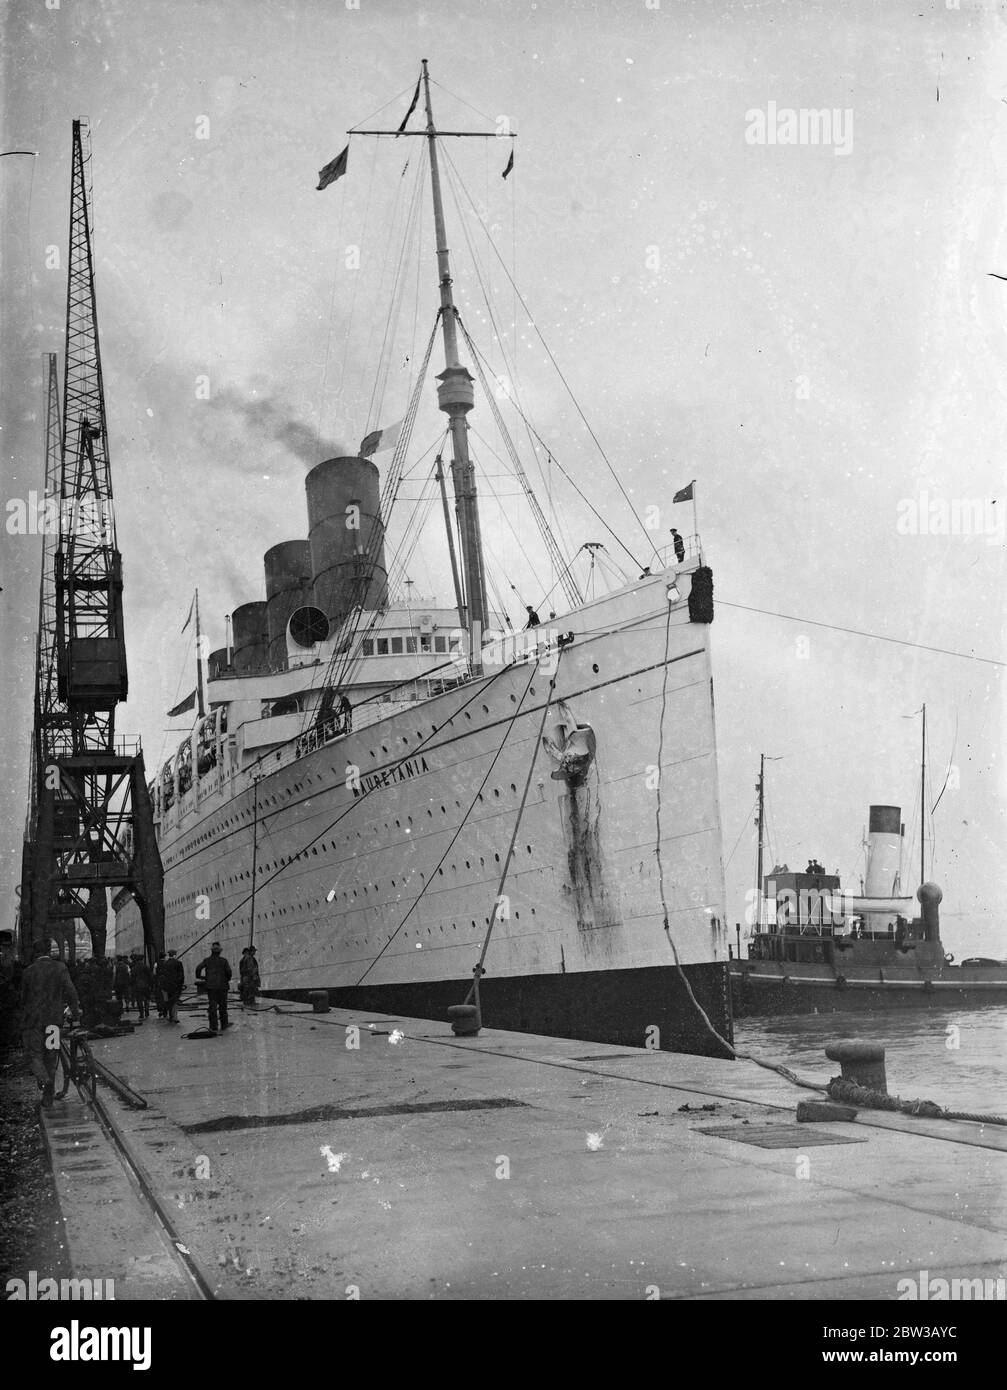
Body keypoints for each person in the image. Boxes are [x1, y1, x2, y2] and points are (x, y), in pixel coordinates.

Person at [19, 944, 80, 1107]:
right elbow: (71, 990)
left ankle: (45, 1081)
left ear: (36, 953)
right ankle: (48, 1098)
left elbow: (23, 998)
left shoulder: (28, 972)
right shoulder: (60, 968)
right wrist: (74, 1010)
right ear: (48, 952)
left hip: (34, 1023)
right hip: (53, 1022)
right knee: (51, 1057)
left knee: (35, 1055)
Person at [195, 942, 232, 1032]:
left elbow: (198, 968)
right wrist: (226, 980)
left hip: (211, 987)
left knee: (212, 1007)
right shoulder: (224, 961)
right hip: (222, 987)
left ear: (212, 951)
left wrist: (200, 977)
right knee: (223, 1006)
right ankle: (224, 1025)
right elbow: (229, 973)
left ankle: (213, 1026)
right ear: (219, 952)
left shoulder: (207, 960)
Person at [160, 950, 185, 1023]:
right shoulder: (178, 963)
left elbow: (163, 975)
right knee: (175, 1001)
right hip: (176, 985)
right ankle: (175, 1017)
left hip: (168, 986)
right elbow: (181, 975)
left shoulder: (165, 963)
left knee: (170, 1000)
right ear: (175, 955)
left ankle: (170, 1015)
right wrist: (181, 984)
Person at [131, 956, 153, 1020]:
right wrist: (151, 985)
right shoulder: (146, 967)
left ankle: (141, 1014)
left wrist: (133, 986)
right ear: (142, 960)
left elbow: (132, 978)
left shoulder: (134, 968)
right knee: (146, 999)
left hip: (137, 986)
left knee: (139, 1000)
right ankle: (146, 1011)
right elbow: (150, 976)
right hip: (146, 986)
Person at [153, 953, 168, 1017]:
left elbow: (154, 973)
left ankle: (160, 1010)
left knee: (159, 997)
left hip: (159, 982)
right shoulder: (167, 963)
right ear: (164, 957)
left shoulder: (156, 964)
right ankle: (165, 1010)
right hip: (166, 982)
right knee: (166, 996)